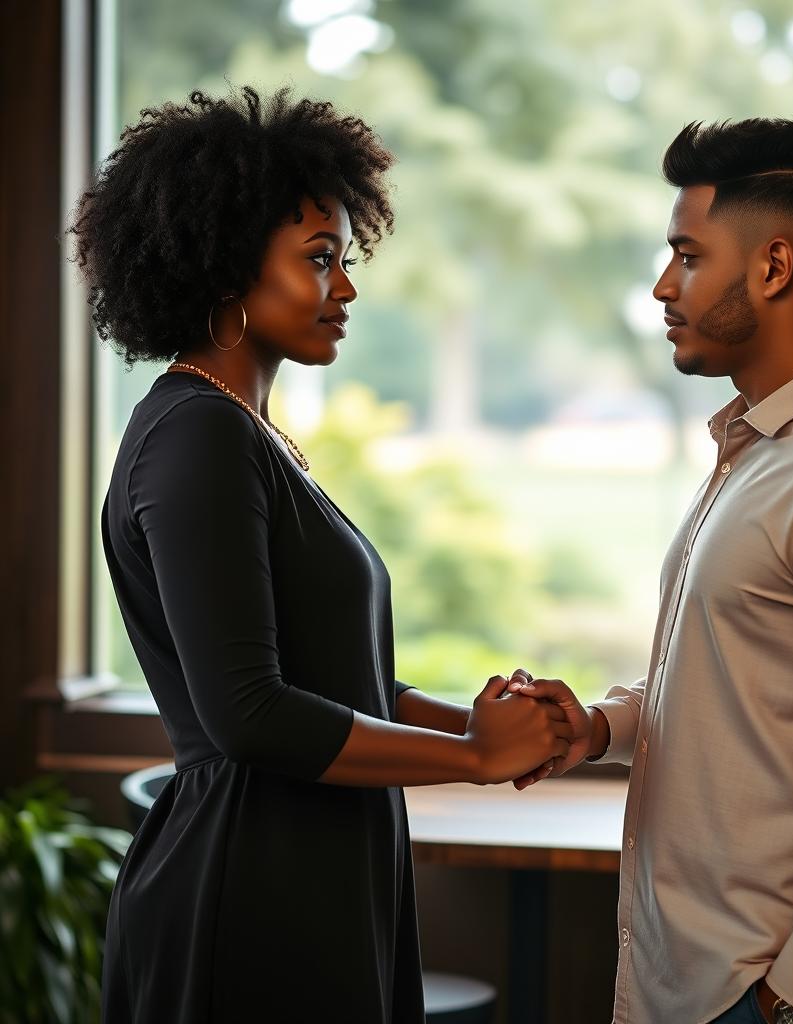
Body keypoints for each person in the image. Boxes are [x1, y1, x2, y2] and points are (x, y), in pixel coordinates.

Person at [71, 86, 572, 1024]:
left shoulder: (242, 434)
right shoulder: (198, 438)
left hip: (318, 867)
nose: (344, 288)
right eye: (318, 260)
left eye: (344, 260)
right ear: (225, 268)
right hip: (253, 889)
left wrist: (476, 725)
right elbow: (251, 713)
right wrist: (469, 759)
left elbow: (336, 679)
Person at [507, 119, 793, 1024]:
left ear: (772, 267)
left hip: (783, 999)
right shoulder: (762, 449)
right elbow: (745, 683)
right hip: (697, 984)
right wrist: (600, 725)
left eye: (687, 255)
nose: (662, 285)